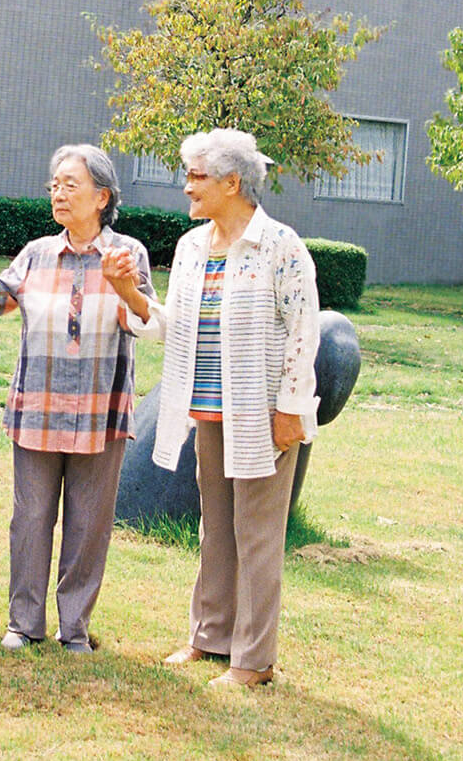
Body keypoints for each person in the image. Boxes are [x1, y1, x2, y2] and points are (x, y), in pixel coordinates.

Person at [105, 128, 320, 688]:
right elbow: (171, 326)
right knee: (216, 528)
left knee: (257, 533)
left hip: (262, 415)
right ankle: (210, 636)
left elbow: (303, 329)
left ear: (232, 182)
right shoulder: (191, 247)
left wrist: (291, 407)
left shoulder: (280, 244)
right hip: (206, 409)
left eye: (196, 176)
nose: (186, 187)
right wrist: (130, 295)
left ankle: (254, 659)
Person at [0, 146, 155, 652]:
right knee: (31, 518)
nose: (58, 193)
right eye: (54, 184)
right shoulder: (37, 252)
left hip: (101, 411)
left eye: (71, 184)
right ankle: (23, 623)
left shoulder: (127, 253)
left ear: (102, 196)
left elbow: (141, 322)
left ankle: (73, 627)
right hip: (37, 406)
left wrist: (125, 287)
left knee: (89, 523)